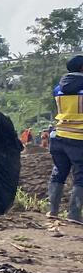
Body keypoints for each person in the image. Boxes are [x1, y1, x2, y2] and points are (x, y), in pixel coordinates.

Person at [48, 54, 83, 221]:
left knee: (58, 172)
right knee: (81, 175)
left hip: (59, 134)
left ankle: (52, 212)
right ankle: (74, 214)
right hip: (78, 137)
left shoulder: (58, 88)